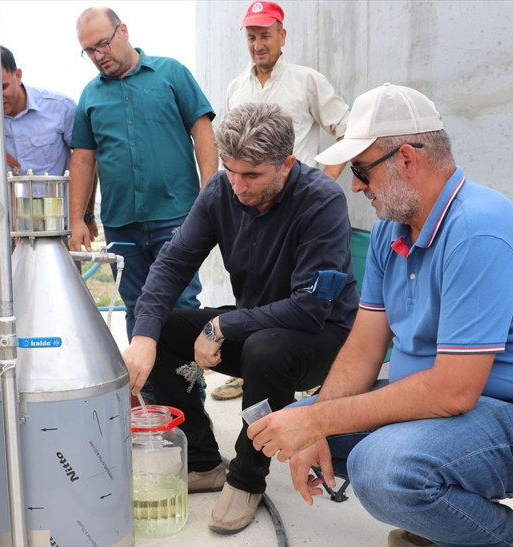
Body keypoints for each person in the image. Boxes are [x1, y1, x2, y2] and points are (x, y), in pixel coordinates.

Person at [247, 83, 513, 547]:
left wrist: (321, 423)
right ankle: (442, 521)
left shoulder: (478, 230)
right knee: (295, 424)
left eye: (362, 170)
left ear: (406, 159)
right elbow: (364, 349)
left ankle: (507, 541)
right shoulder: (392, 233)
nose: (356, 185)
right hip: (444, 412)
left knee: (381, 469)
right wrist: (315, 423)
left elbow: (452, 392)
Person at [122, 102, 359, 534]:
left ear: (286, 164)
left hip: (323, 335)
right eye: (231, 170)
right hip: (255, 323)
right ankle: (203, 461)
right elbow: (173, 264)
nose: (238, 186)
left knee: (265, 349)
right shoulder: (220, 191)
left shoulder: (321, 202)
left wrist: (221, 326)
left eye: (252, 175)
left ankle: (246, 478)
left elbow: (309, 308)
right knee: (166, 328)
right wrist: (144, 336)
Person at [215, 0, 351, 402]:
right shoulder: (236, 88)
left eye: (265, 35)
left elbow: (347, 129)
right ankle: (249, 369)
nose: (258, 44)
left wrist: (324, 181)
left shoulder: (307, 81)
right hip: (252, 210)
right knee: (254, 289)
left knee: (301, 295)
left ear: (282, 36)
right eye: (252, 37)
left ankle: (300, 368)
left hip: (298, 211)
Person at [69, 6, 217, 345]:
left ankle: (189, 394)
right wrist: (78, 217)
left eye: (103, 44)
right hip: (122, 224)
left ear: (123, 31)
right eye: (89, 50)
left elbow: (203, 130)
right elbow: (83, 159)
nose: (98, 55)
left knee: (181, 306)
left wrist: (210, 193)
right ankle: (149, 396)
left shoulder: (171, 73)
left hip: (178, 217)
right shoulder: (90, 96)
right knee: (137, 309)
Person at [0, 45, 77, 206]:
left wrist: (86, 214)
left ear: (18, 75)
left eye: (2, 87)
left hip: (55, 221)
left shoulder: (60, 107)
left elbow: (87, 162)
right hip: (4, 223)